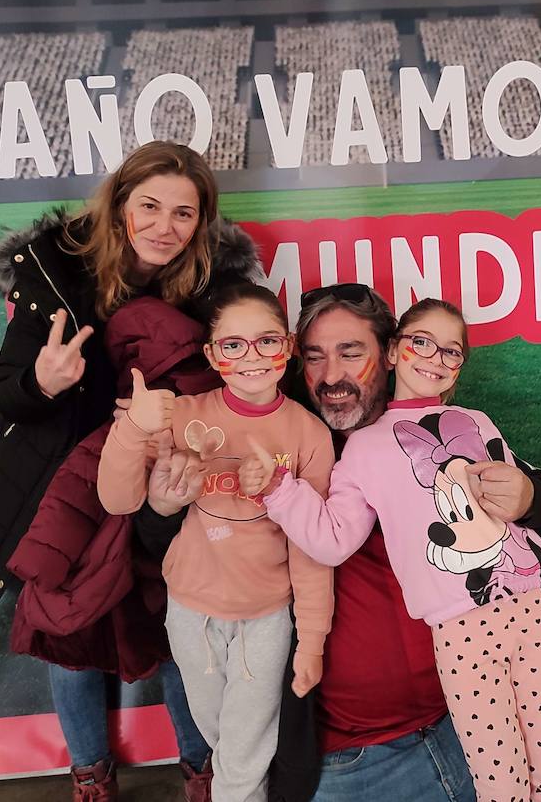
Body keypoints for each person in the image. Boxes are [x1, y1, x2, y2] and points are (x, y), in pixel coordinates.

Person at [0, 141, 258, 800]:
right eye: (150, 206)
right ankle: (90, 773)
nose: (165, 226)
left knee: (177, 626)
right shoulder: (54, 268)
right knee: (66, 627)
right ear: (120, 203)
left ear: (203, 221)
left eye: (184, 213)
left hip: (165, 481)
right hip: (65, 483)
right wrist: (44, 380)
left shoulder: (216, 284)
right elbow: (7, 390)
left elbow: (234, 385)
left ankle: (202, 767)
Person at [280, 284, 541, 802]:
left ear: (388, 354)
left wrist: (530, 497)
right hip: (366, 751)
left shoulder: (457, 427)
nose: (332, 376)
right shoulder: (294, 448)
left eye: (350, 353)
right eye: (315, 358)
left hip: (498, 688)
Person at [242, 297, 541, 801]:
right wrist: (278, 489)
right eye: (422, 342)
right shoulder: (363, 448)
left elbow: (518, 530)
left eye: (451, 351)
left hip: (532, 608)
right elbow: (332, 539)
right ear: (398, 351)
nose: (435, 358)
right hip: (462, 629)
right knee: (501, 776)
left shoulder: (479, 421)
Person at [99, 282, 336, 802]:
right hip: (190, 616)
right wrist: (134, 430)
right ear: (212, 354)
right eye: (233, 345)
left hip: (266, 621)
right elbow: (118, 499)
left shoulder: (308, 434)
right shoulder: (183, 416)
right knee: (224, 741)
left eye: (268, 341)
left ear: (289, 346)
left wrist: (311, 642)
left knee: (244, 755)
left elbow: (313, 549)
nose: (252, 357)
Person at [6, 295, 224, 802]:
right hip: (96, 573)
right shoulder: (104, 432)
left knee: (182, 651)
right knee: (72, 651)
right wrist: (46, 567)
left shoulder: (203, 431)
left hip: (164, 570)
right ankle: (94, 774)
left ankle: (199, 767)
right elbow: (71, 504)